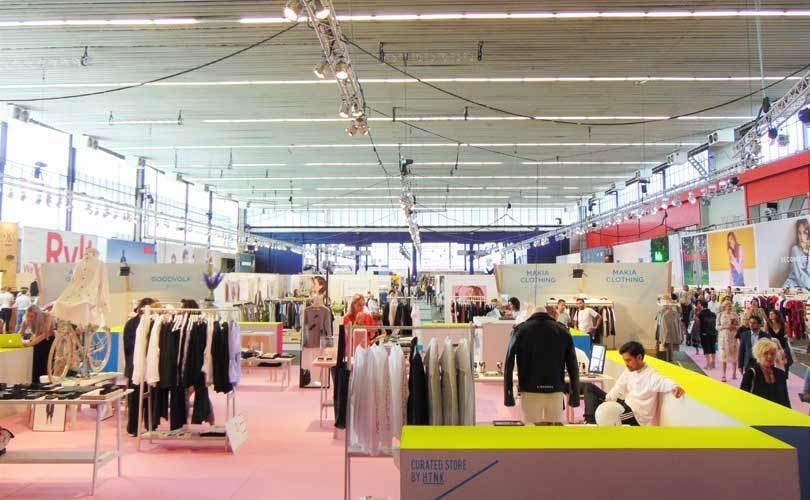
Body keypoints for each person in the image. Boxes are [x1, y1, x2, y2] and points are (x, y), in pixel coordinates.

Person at [504, 306, 579, 425]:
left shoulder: (520, 330)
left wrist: (508, 395)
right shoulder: (563, 330)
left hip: (529, 389)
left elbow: (509, 363)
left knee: (530, 427)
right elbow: (573, 365)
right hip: (555, 389)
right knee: (553, 429)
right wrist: (574, 394)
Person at [584, 341, 684, 426]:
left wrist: (674, 387)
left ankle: (593, 424)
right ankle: (590, 422)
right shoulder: (630, 370)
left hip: (636, 415)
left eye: (628, 360)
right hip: (625, 405)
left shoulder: (651, 375)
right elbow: (619, 386)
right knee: (589, 387)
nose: (626, 364)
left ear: (639, 357)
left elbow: (663, 381)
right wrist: (607, 401)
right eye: (625, 360)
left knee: (610, 417)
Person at [123, 297, 159, 435]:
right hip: (137, 366)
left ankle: (146, 426)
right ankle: (138, 427)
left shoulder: (134, 323)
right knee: (138, 399)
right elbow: (129, 347)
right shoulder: (133, 324)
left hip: (141, 366)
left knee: (145, 397)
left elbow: (127, 347)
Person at [740, 339, 791, 408]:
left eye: (772, 354)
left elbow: (786, 399)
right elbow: (742, 398)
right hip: (757, 412)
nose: (770, 356)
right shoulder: (750, 374)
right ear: (759, 355)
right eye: (766, 353)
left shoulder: (781, 374)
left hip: (776, 413)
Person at [20, 305, 56, 384]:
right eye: (28, 316)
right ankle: (35, 382)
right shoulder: (27, 320)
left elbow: (45, 334)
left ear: (37, 315)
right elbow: (20, 333)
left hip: (48, 341)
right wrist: (17, 341)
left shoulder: (47, 316)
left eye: (32, 316)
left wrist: (30, 344)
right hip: (37, 340)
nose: (29, 318)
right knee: (35, 362)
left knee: (45, 363)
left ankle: (45, 382)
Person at [716, 299, 740, 382]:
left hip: (733, 336)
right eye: (728, 305)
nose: (729, 306)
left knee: (734, 354)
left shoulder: (735, 315)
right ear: (724, 306)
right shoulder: (720, 315)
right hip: (724, 337)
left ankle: (734, 373)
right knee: (724, 355)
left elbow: (739, 325)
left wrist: (734, 327)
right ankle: (723, 374)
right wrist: (725, 327)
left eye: (730, 305)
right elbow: (717, 327)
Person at [783, 218, 810, 290]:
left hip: (806, 286)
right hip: (794, 285)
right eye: (799, 233)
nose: (802, 237)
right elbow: (799, 275)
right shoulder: (795, 249)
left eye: (805, 233)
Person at [695, 299, 717, 370]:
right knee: (713, 348)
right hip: (713, 333)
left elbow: (698, 323)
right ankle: (713, 363)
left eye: (699, 304)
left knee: (706, 348)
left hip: (704, 333)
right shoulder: (713, 314)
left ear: (701, 305)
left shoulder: (700, 314)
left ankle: (708, 364)